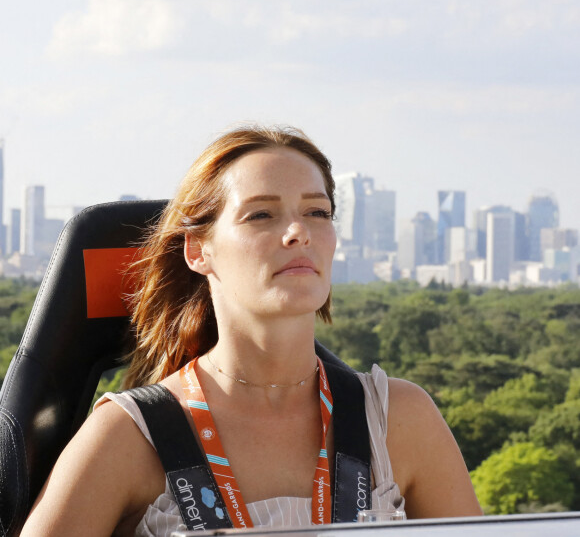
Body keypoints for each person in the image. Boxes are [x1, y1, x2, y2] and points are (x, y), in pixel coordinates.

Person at [22, 125, 482, 536]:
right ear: (199, 250)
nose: (298, 231)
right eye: (262, 215)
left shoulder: (398, 420)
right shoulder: (125, 437)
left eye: (318, 212)